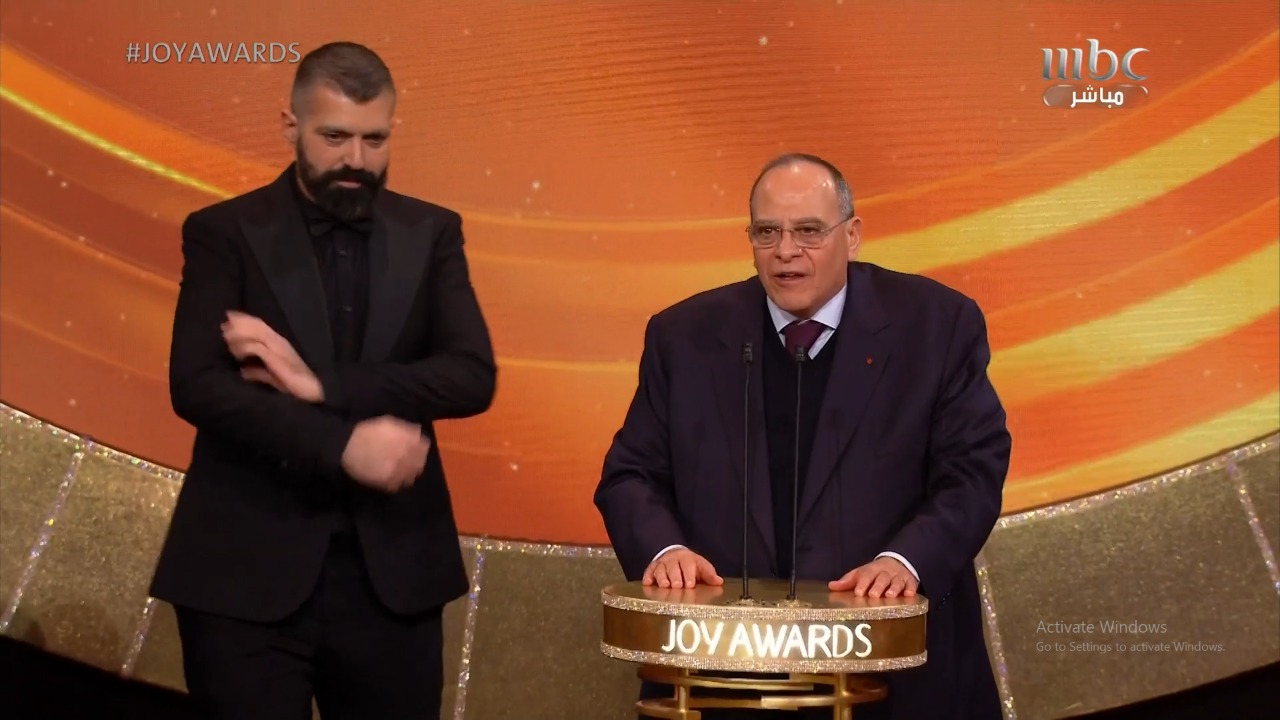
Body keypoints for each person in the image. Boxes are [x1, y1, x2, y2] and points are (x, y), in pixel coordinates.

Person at [149, 41, 496, 720]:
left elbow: (470, 377)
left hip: (392, 581)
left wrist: (323, 386)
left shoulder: (431, 233)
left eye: (374, 139)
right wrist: (339, 445)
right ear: (291, 125)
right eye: (335, 137)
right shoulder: (225, 232)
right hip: (244, 574)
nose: (356, 159)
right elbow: (198, 385)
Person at [595, 153, 1010, 719]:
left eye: (809, 231)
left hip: (895, 677)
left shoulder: (936, 326)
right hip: (724, 679)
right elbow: (629, 474)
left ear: (852, 236)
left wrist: (904, 563)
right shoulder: (684, 336)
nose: (786, 251)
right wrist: (665, 551)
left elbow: (972, 475)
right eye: (767, 232)